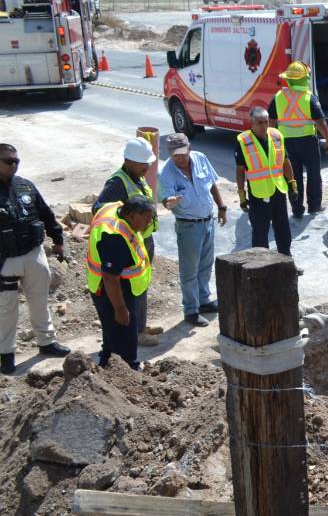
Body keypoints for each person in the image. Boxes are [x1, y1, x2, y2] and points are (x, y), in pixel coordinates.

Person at [0, 143, 70, 375]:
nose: (14, 165)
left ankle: (47, 342)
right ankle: (6, 354)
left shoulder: (25, 186)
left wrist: (58, 240)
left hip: (33, 254)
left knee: (39, 301)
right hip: (5, 260)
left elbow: (46, 214)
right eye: (8, 161)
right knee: (6, 309)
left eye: (16, 161)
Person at [95, 137, 159, 346]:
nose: (147, 167)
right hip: (129, 244)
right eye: (143, 163)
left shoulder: (137, 177)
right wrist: (125, 220)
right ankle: (135, 333)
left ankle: (140, 325)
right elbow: (99, 209)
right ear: (129, 162)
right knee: (130, 288)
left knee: (141, 284)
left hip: (142, 240)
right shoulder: (117, 182)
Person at [158, 133, 226, 327]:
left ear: (189, 149)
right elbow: (166, 200)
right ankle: (191, 310)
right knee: (189, 271)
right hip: (188, 226)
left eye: (182, 153)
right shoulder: (166, 173)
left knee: (205, 265)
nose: (180, 158)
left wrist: (221, 207)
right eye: (175, 155)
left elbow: (211, 184)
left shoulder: (200, 158)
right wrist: (170, 202)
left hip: (208, 222)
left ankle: (203, 301)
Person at [87, 195, 155, 370]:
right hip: (113, 291)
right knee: (124, 339)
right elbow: (110, 277)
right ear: (131, 215)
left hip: (119, 286)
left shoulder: (114, 207)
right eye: (146, 218)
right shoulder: (114, 237)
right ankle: (128, 370)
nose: (149, 222)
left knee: (112, 335)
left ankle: (106, 366)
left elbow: (97, 206)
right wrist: (120, 309)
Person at [269, 61, 328, 219]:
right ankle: (314, 206)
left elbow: (271, 121)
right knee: (313, 174)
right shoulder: (309, 98)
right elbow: (320, 122)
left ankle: (297, 210)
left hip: (286, 143)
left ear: (288, 79)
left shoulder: (278, 97)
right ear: (305, 79)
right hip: (308, 142)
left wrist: (272, 141)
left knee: (293, 177)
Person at [235, 106, 299, 260]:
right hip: (259, 194)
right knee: (260, 233)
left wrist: (292, 184)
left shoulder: (276, 136)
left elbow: (285, 161)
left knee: (283, 228)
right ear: (252, 123)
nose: (264, 126)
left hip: (278, 190)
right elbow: (240, 170)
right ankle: (262, 265)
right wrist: (242, 195)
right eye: (260, 123)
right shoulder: (243, 141)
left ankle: (286, 260)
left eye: (266, 122)